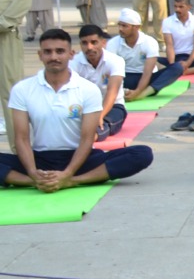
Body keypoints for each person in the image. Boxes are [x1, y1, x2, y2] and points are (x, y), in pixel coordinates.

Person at [2, 29, 153, 189]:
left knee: (142, 154)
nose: (54, 57)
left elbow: (87, 139)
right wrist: (33, 173)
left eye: (60, 51)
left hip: (81, 158)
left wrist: (68, 174)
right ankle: (36, 181)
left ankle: (73, 180)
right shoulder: (23, 89)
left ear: (71, 54)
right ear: (40, 55)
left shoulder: (87, 89)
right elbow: (22, 138)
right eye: (48, 52)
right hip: (40, 159)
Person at [70, 24, 127, 141]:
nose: (89, 47)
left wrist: (99, 116)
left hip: (112, 107)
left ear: (103, 43)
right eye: (84, 43)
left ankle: (87, 139)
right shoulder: (74, 62)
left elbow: (112, 91)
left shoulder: (115, 61)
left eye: (94, 42)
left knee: (102, 125)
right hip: (84, 107)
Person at [107, 8, 174, 102]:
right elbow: (110, 70)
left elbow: (147, 73)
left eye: (124, 26)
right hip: (124, 78)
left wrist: (137, 92)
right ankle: (124, 92)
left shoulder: (149, 42)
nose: (120, 29)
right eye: (119, 25)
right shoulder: (113, 43)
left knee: (177, 67)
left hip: (146, 80)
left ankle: (143, 94)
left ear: (136, 27)